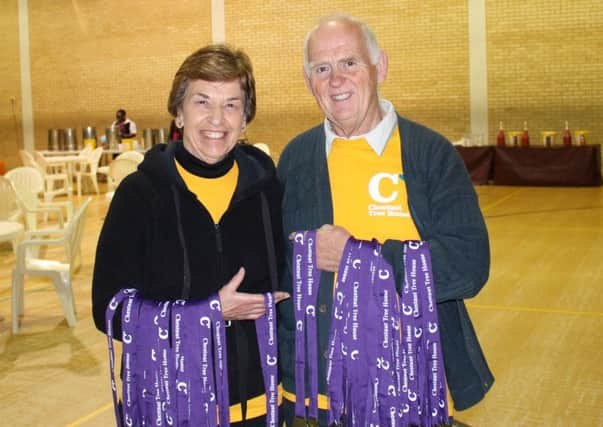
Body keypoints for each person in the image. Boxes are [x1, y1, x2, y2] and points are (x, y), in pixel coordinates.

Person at [277, 14, 494, 426]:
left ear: (381, 67)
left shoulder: (430, 154)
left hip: (410, 389)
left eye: (350, 63)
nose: (336, 80)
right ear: (309, 82)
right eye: (322, 69)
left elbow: (469, 263)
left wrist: (359, 258)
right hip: (314, 397)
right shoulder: (295, 158)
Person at [93, 44, 288, 426]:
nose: (217, 118)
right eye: (202, 102)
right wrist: (207, 313)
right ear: (178, 113)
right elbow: (108, 309)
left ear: (246, 120)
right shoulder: (140, 195)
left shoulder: (268, 190)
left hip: (256, 401)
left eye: (232, 105)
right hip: (171, 401)